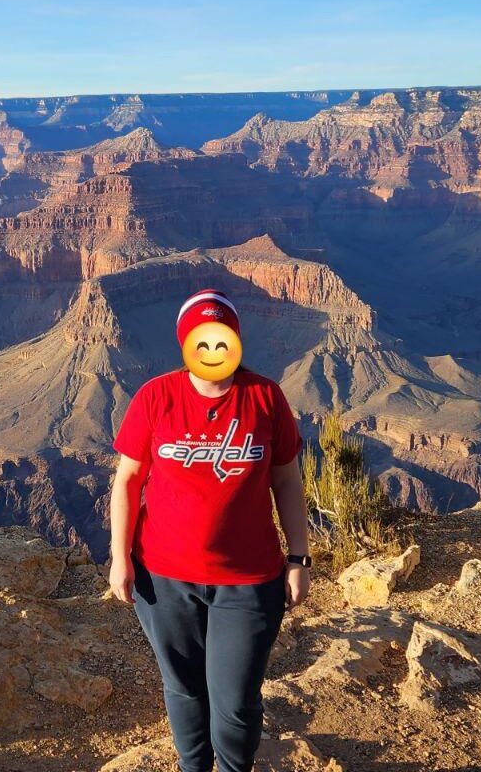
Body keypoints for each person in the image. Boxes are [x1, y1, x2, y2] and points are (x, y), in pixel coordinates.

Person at [109, 288, 311, 772]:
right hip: (164, 579)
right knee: (182, 686)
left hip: (249, 579)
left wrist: (299, 559)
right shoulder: (156, 397)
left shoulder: (266, 398)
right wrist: (120, 557)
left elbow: (287, 481)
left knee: (236, 700)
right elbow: (128, 480)